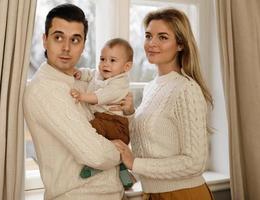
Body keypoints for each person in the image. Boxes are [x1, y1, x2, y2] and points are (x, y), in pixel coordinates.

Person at [23, 4, 124, 200]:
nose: (66, 48)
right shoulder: (44, 90)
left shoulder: (83, 82)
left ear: (84, 44)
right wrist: (120, 150)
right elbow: (95, 154)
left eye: (75, 40)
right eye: (58, 37)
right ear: (45, 40)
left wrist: (126, 111)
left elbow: (118, 122)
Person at [112, 8, 215, 200]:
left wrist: (135, 163)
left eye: (162, 37)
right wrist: (130, 114)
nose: (152, 44)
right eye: (149, 36)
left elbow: (195, 163)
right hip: (152, 193)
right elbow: (147, 144)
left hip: (183, 194)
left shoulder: (186, 89)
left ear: (180, 45)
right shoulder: (151, 87)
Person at [70, 38, 135, 188]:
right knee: (107, 143)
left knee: (90, 130)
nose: (105, 64)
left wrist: (81, 96)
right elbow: (90, 74)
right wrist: (80, 73)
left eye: (112, 60)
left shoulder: (119, 83)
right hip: (105, 119)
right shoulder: (101, 74)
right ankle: (122, 170)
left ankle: (95, 167)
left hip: (116, 124)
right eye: (102, 59)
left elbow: (100, 97)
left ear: (126, 66)